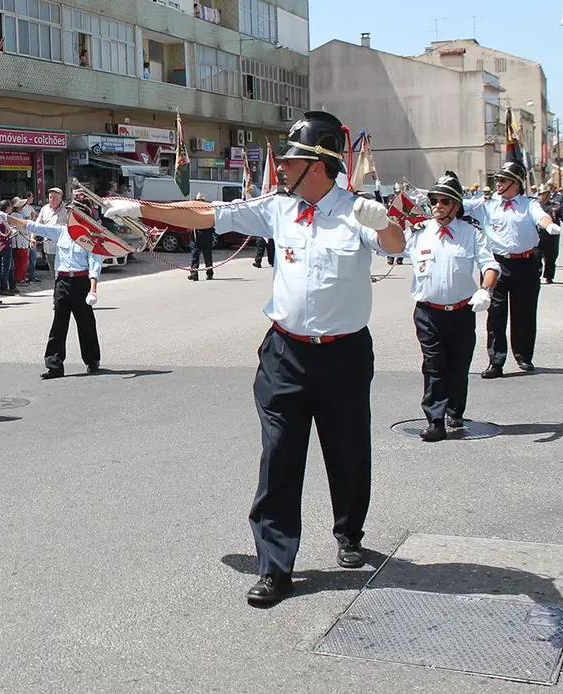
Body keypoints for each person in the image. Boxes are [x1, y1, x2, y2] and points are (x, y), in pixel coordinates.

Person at [102, 110, 406, 606]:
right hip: (285, 353)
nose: (280, 168)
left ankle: (349, 531)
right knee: (279, 457)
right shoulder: (277, 209)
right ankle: (275, 565)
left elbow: (395, 244)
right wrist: (140, 208)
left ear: (320, 165)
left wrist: (385, 222)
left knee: (347, 452)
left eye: (290, 160)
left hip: (344, 355)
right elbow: (207, 214)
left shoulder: (357, 211)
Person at [404, 172, 499, 442]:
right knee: (434, 366)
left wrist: (485, 289)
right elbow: (391, 248)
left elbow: (490, 265)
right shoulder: (419, 232)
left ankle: (455, 410)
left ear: (456, 205)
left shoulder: (470, 233)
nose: (437, 206)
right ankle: (435, 420)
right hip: (428, 312)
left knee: (458, 365)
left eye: (444, 201)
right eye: (434, 200)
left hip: (460, 312)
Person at [462, 161, 563, 378]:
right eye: (497, 180)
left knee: (524, 312)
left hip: (526, 263)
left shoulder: (528, 204)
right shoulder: (488, 204)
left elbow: (541, 216)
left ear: (516, 183)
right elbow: (461, 206)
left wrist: (549, 226)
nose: (498, 184)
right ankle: (496, 361)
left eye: (503, 180)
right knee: (496, 314)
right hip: (497, 264)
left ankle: (524, 356)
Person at [7, 194, 105, 379]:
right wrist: (9, 218)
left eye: (72, 213)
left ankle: (92, 360)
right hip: (62, 282)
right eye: (69, 212)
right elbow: (36, 227)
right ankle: (54, 365)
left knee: (86, 324)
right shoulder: (61, 231)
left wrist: (93, 289)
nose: (68, 215)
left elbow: (94, 264)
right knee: (59, 324)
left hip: (81, 282)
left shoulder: (90, 236)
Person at [536, 185, 563, 285]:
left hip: (551, 236)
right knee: (536, 257)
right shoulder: (535, 206)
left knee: (551, 257)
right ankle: (536, 276)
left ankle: (549, 276)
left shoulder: (555, 205)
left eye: (543, 194)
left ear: (547, 195)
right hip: (538, 235)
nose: (541, 196)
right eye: (540, 194)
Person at [189, 193, 216, 281]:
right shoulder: (193, 210)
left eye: (200, 200)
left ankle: (209, 273)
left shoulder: (208, 210)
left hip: (206, 236)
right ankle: (194, 274)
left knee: (207, 256)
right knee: (194, 256)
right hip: (195, 236)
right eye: (198, 200)